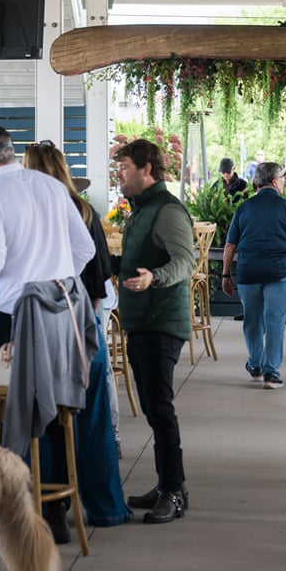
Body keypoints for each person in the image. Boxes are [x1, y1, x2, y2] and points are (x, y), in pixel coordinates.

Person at [0, 123, 95, 543]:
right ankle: (54, 512)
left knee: (13, 410)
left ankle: (16, 510)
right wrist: (54, 279)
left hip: (17, 316)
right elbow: (86, 249)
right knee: (56, 409)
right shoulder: (51, 186)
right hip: (62, 314)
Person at [22, 141, 129, 528]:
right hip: (82, 321)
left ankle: (49, 507)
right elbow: (100, 281)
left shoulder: (25, 216)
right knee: (93, 420)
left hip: (38, 325)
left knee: (41, 418)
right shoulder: (83, 212)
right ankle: (105, 507)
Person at [112, 138, 195, 525]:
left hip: (161, 320)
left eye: (125, 168)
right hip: (142, 320)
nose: (119, 175)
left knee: (159, 408)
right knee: (151, 406)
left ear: (147, 169)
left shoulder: (167, 210)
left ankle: (174, 491)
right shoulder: (141, 209)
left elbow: (185, 261)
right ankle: (167, 484)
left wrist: (154, 278)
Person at [221, 161, 286, 390]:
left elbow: (230, 246)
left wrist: (225, 275)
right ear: (274, 181)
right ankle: (271, 373)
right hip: (278, 272)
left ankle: (255, 365)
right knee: (274, 321)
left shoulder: (244, 208)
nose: (283, 182)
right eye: (282, 179)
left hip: (248, 271)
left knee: (252, 320)